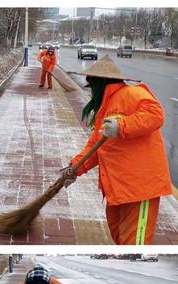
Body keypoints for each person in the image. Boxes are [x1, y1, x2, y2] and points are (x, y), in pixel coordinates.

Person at [63, 56, 172, 245]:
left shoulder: (132, 94)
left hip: (140, 188)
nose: (91, 90)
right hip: (117, 188)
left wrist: (122, 126)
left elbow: (155, 115)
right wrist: (75, 168)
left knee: (134, 243)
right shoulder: (105, 108)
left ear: (103, 82)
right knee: (119, 238)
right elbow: (95, 147)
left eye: (92, 84)